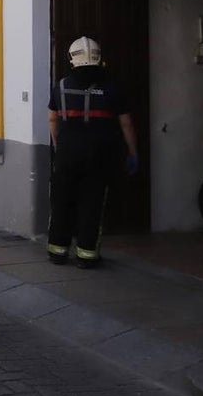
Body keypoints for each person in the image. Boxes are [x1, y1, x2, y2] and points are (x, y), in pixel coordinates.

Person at [47, 36, 138, 268]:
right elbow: (126, 123)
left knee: (61, 202)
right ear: (99, 59)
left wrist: (60, 146)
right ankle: (87, 255)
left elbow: (52, 119)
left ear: (72, 60)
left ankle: (57, 252)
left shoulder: (61, 87)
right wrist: (132, 152)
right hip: (99, 157)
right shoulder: (112, 88)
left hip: (67, 154)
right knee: (92, 203)